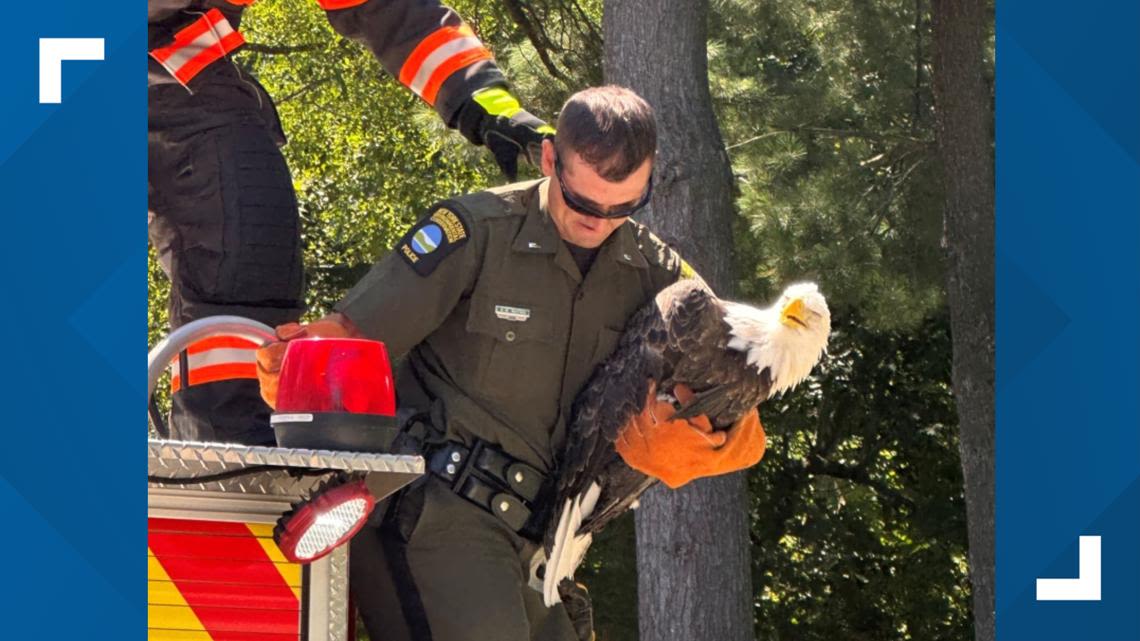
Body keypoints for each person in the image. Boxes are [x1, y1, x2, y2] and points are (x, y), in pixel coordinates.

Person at [256, 86, 765, 641]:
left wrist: (700, 436)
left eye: (623, 207)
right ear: (550, 159)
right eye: (584, 202)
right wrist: (287, 369)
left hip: (541, 544)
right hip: (438, 515)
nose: (600, 221)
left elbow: (737, 397)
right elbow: (340, 344)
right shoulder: (476, 231)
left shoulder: (659, 275)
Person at [149, 0, 553, 444]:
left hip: (177, 71)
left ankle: (230, 464)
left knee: (249, 244)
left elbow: (395, 10)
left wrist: (486, 102)